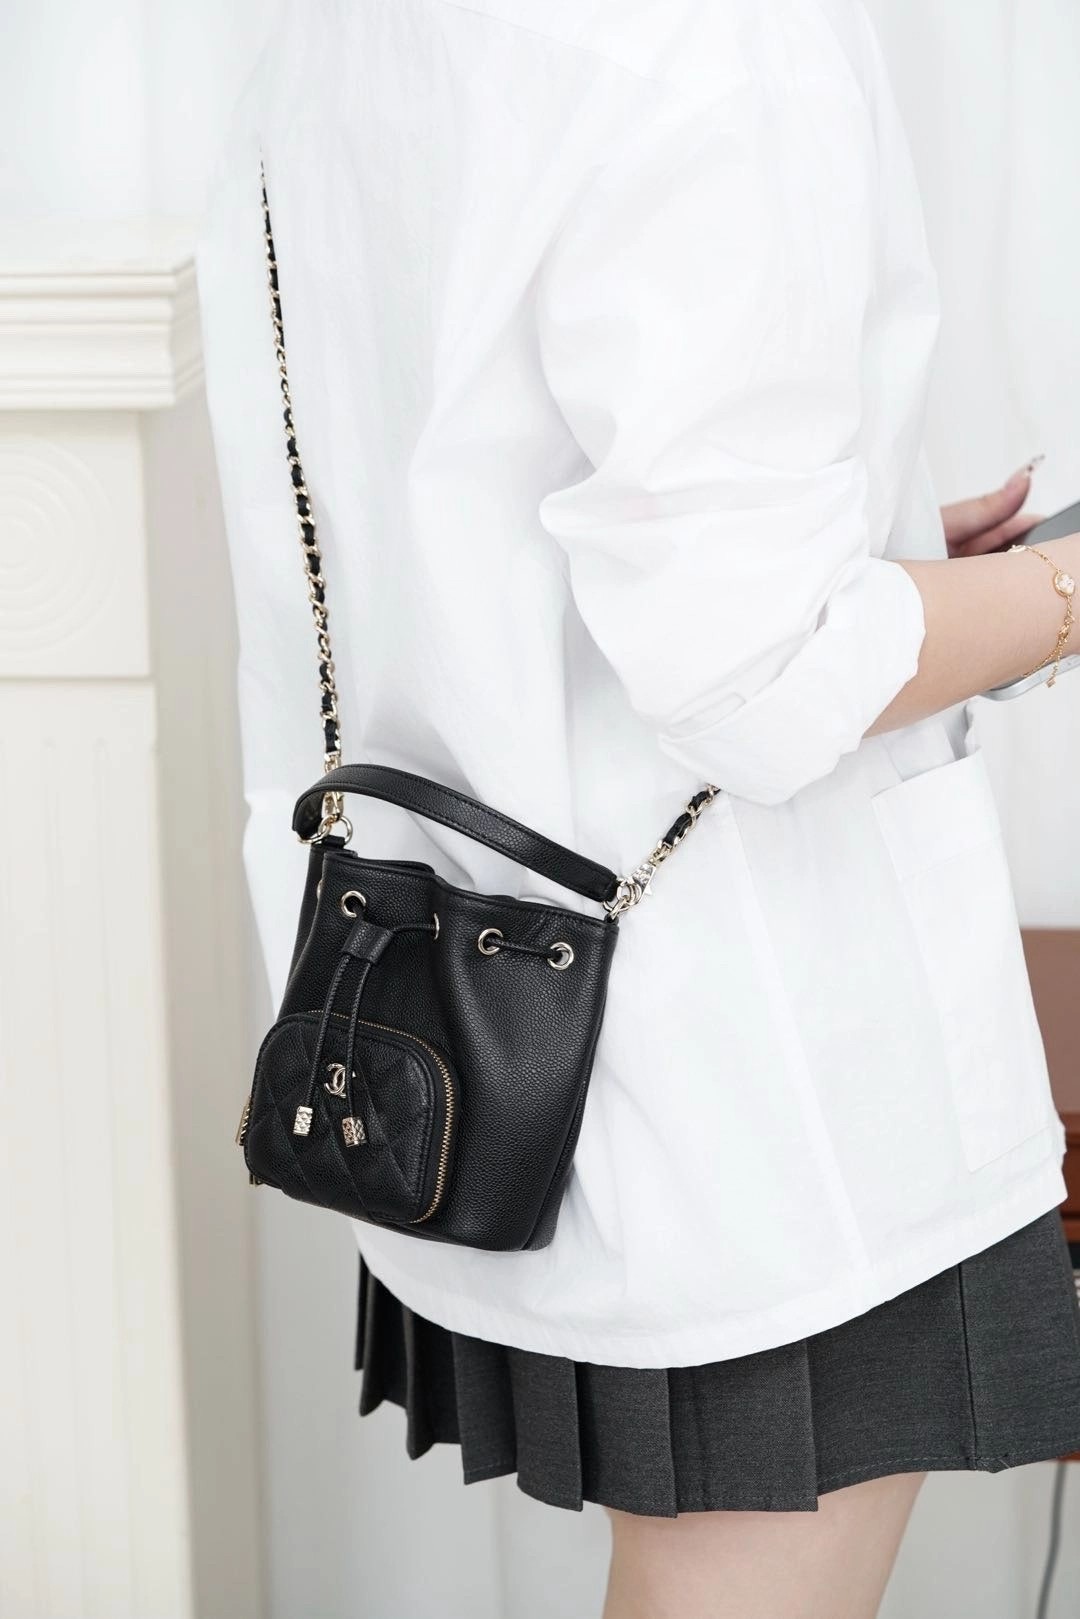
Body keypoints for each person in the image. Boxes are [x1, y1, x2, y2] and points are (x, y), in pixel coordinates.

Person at [196, 3, 1080, 1615]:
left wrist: (858, 554)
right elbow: (757, 673)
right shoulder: (724, 36)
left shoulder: (335, 37)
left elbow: (459, 489)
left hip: (466, 1027)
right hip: (740, 1066)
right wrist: (1059, 594)